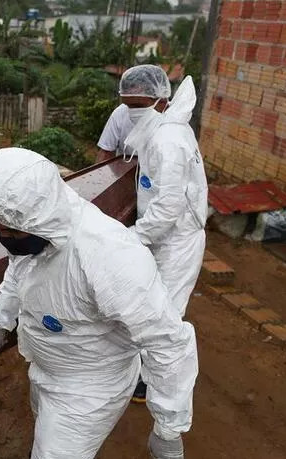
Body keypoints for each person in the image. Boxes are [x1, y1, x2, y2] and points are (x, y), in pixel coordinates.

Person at [0, 148, 198, 459]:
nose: (2, 236)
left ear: (40, 215)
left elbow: (168, 342)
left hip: (89, 391)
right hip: (45, 370)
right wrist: (1, 320)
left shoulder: (110, 257)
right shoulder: (31, 231)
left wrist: (169, 428)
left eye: (9, 230)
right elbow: (18, 269)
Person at [119, 65, 208, 403]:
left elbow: (169, 204)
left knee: (166, 314)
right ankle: (144, 372)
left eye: (138, 105)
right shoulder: (160, 128)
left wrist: (135, 237)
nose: (132, 112)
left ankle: (154, 384)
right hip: (163, 235)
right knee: (152, 304)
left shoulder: (168, 140)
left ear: (159, 101)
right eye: (128, 105)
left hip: (178, 240)